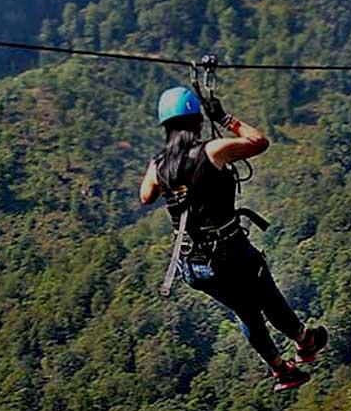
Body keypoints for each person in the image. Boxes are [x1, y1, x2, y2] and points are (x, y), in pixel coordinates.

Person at [140, 86, 327, 391]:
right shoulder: (212, 151)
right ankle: (304, 342)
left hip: (193, 265)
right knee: (266, 294)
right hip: (229, 252)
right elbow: (259, 141)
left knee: (246, 310)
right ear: (197, 122)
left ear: (166, 128)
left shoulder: (158, 165)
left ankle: (281, 370)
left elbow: (145, 196)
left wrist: (170, 179)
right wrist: (225, 117)